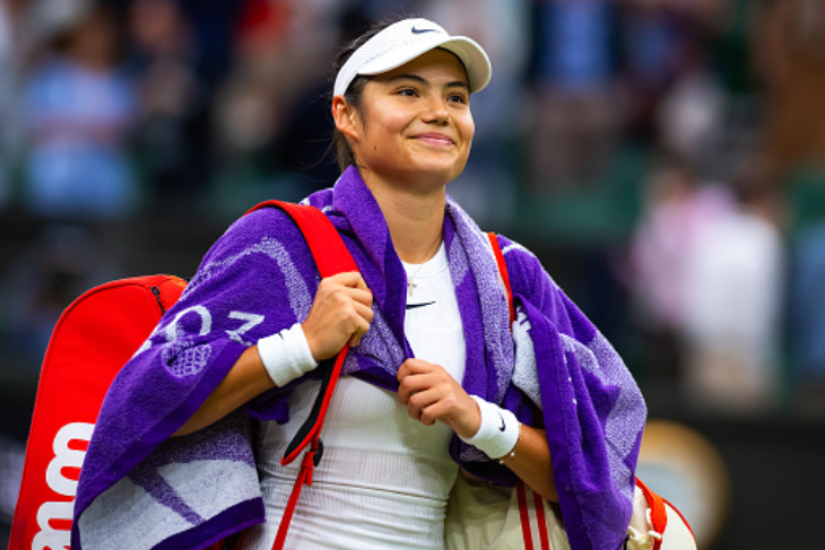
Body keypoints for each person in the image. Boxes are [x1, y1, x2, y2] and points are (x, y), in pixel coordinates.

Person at [72, 17, 647, 550]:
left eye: (456, 97)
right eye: (407, 92)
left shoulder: (509, 275)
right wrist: (300, 345)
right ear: (347, 114)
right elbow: (147, 405)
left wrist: (482, 421)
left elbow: (590, 483)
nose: (439, 111)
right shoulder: (279, 241)